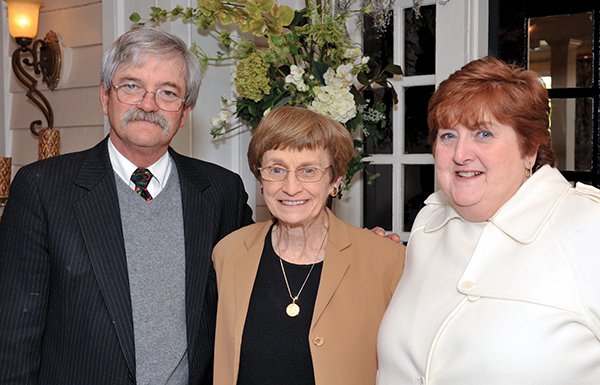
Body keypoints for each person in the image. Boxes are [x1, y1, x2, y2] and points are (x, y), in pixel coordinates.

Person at [0, 27, 253, 384]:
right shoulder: (43, 189)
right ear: (105, 98)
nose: (148, 104)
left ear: (184, 111)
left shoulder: (221, 192)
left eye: (168, 92)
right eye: (132, 86)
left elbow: (250, 301)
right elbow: (13, 335)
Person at [376, 56, 600, 384]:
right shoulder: (429, 222)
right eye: (448, 135)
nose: (460, 154)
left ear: (530, 150)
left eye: (483, 133)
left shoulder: (588, 227)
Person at [212, 106, 405, 385]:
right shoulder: (228, 253)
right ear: (261, 180)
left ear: (335, 181)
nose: (291, 187)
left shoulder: (386, 260)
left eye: (308, 171)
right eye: (276, 169)